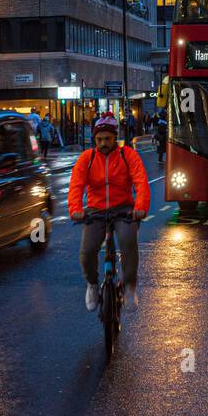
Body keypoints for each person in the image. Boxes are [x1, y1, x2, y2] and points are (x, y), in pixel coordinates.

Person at [68, 114, 150, 310]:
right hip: (95, 211)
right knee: (87, 251)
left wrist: (140, 208)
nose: (103, 143)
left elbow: (141, 182)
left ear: (115, 138)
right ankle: (92, 284)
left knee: (128, 241)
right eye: (99, 139)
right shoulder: (86, 159)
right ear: (94, 140)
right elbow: (76, 186)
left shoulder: (127, 155)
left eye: (107, 139)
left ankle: (129, 287)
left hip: (124, 209)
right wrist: (76, 210)